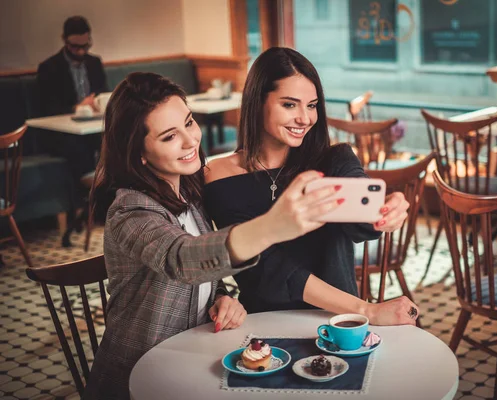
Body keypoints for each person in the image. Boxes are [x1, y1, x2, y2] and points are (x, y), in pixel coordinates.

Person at [84, 72, 344, 399]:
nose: (192, 140)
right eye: (169, 137)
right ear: (139, 153)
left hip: (190, 359)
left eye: (189, 123)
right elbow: (182, 258)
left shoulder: (188, 196)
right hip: (137, 375)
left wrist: (222, 296)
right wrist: (270, 227)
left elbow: (205, 267)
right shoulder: (130, 212)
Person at [203, 47, 419, 325]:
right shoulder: (219, 177)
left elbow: (361, 226)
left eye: (312, 105)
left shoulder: (334, 159)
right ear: (257, 102)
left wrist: (386, 209)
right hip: (264, 324)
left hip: (339, 321)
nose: (305, 118)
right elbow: (266, 270)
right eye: (290, 105)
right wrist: (368, 310)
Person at [37, 16, 107, 233]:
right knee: (78, 148)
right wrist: (78, 106)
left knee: (113, 141)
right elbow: (48, 109)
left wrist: (97, 103)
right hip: (62, 132)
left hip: (92, 127)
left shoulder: (94, 63)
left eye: (85, 46)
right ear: (65, 41)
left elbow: (103, 92)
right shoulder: (49, 68)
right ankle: (89, 201)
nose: (80, 51)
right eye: (75, 47)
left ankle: (103, 201)